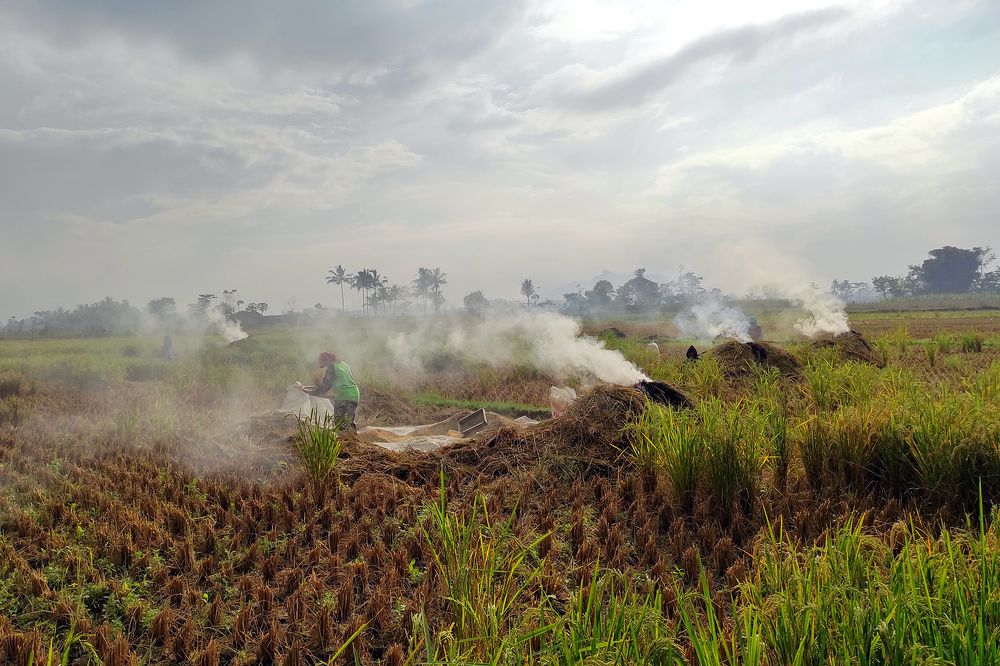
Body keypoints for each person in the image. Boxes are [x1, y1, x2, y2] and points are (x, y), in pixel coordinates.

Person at [309, 352, 360, 431]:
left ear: (326, 361)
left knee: (339, 422)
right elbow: (342, 382)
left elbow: (326, 386)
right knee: (350, 421)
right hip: (354, 394)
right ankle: (353, 440)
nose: (319, 363)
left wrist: (315, 392)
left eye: (320, 360)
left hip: (344, 395)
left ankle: (343, 441)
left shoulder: (332, 368)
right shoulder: (343, 365)